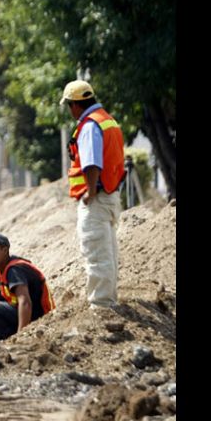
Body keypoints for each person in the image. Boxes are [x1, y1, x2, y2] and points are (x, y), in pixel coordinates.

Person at [60, 80, 126, 310]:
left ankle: (101, 305)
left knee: (96, 251)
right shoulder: (107, 120)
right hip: (109, 194)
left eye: (69, 105)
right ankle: (109, 299)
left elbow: (91, 162)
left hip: (96, 197)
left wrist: (89, 191)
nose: (69, 111)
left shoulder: (89, 126)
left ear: (75, 104)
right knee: (108, 250)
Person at [0, 233, 55, 340]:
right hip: (19, 310)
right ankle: (4, 335)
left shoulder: (14, 270)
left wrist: (21, 335)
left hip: (37, 316)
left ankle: (8, 338)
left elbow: (25, 303)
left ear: (4, 250)